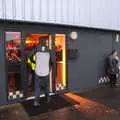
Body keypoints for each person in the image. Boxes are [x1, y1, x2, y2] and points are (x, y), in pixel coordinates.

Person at [29, 39, 55, 107]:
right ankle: (48, 99)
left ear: (39, 43)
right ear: (45, 43)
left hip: (38, 72)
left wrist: (34, 62)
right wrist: (50, 68)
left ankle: (36, 102)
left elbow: (30, 56)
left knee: (37, 88)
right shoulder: (49, 50)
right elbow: (52, 61)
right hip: (46, 72)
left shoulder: (36, 49)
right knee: (47, 87)